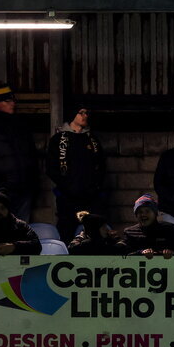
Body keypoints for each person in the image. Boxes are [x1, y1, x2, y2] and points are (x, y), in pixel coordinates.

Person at [46, 104, 106, 243]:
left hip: (91, 198)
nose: (85, 116)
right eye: (81, 113)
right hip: (68, 198)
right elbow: (51, 168)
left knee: (93, 234)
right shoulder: (58, 140)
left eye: (86, 112)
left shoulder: (93, 139)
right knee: (66, 233)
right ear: (73, 115)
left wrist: (95, 188)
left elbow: (101, 166)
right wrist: (66, 188)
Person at [0, 82, 39, 222]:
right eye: (8, 100)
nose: (12, 103)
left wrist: (32, 181)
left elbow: (32, 154)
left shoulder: (21, 124)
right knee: (0, 229)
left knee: (21, 230)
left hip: (24, 188)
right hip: (1, 189)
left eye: (13, 100)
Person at [122, 194, 174, 259]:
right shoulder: (129, 232)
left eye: (147, 211)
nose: (143, 214)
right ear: (136, 215)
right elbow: (124, 255)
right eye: (140, 212)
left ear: (155, 213)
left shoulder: (169, 229)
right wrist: (141, 252)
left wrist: (171, 253)